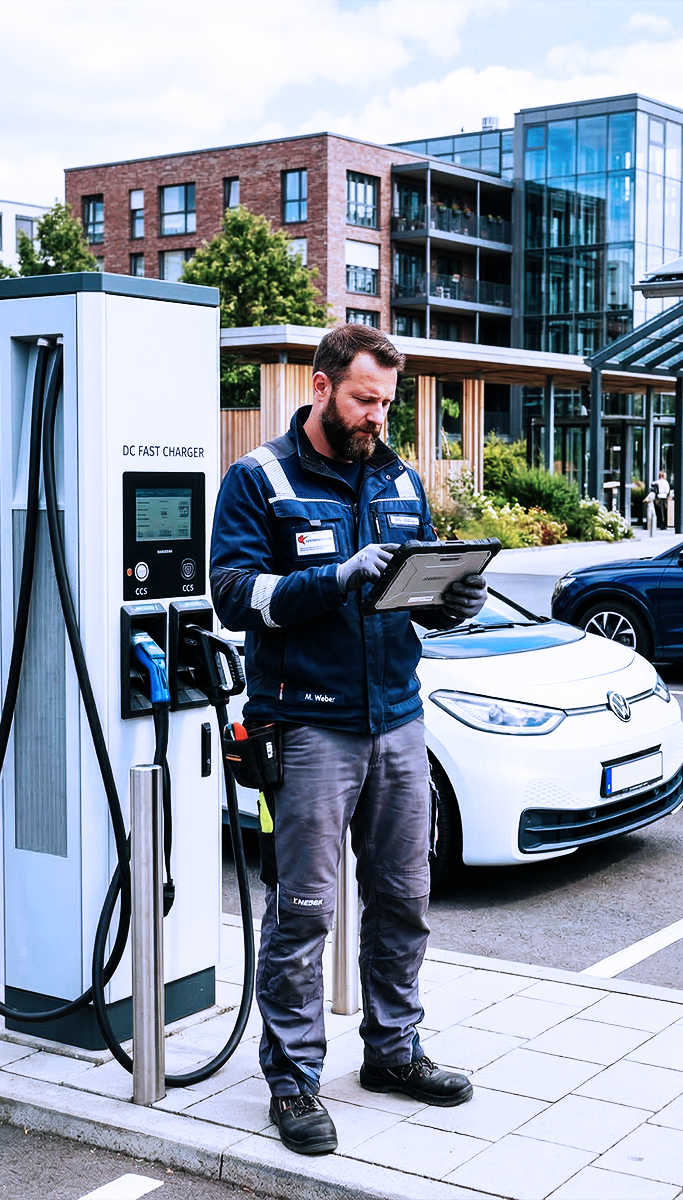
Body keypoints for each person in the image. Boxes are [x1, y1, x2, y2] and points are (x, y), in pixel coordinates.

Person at [210, 325, 485, 1157]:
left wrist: (448, 601)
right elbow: (231, 593)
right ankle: (293, 1083)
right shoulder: (260, 479)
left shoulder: (399, 475)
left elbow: (415, 584)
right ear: (324, 387)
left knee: (405, 896)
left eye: (388, 402)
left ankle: (393, 1053)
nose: (378, 416)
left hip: (398, 717)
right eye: (366, 399)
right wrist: (335, 575)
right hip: (307, 725)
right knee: (303, 911)